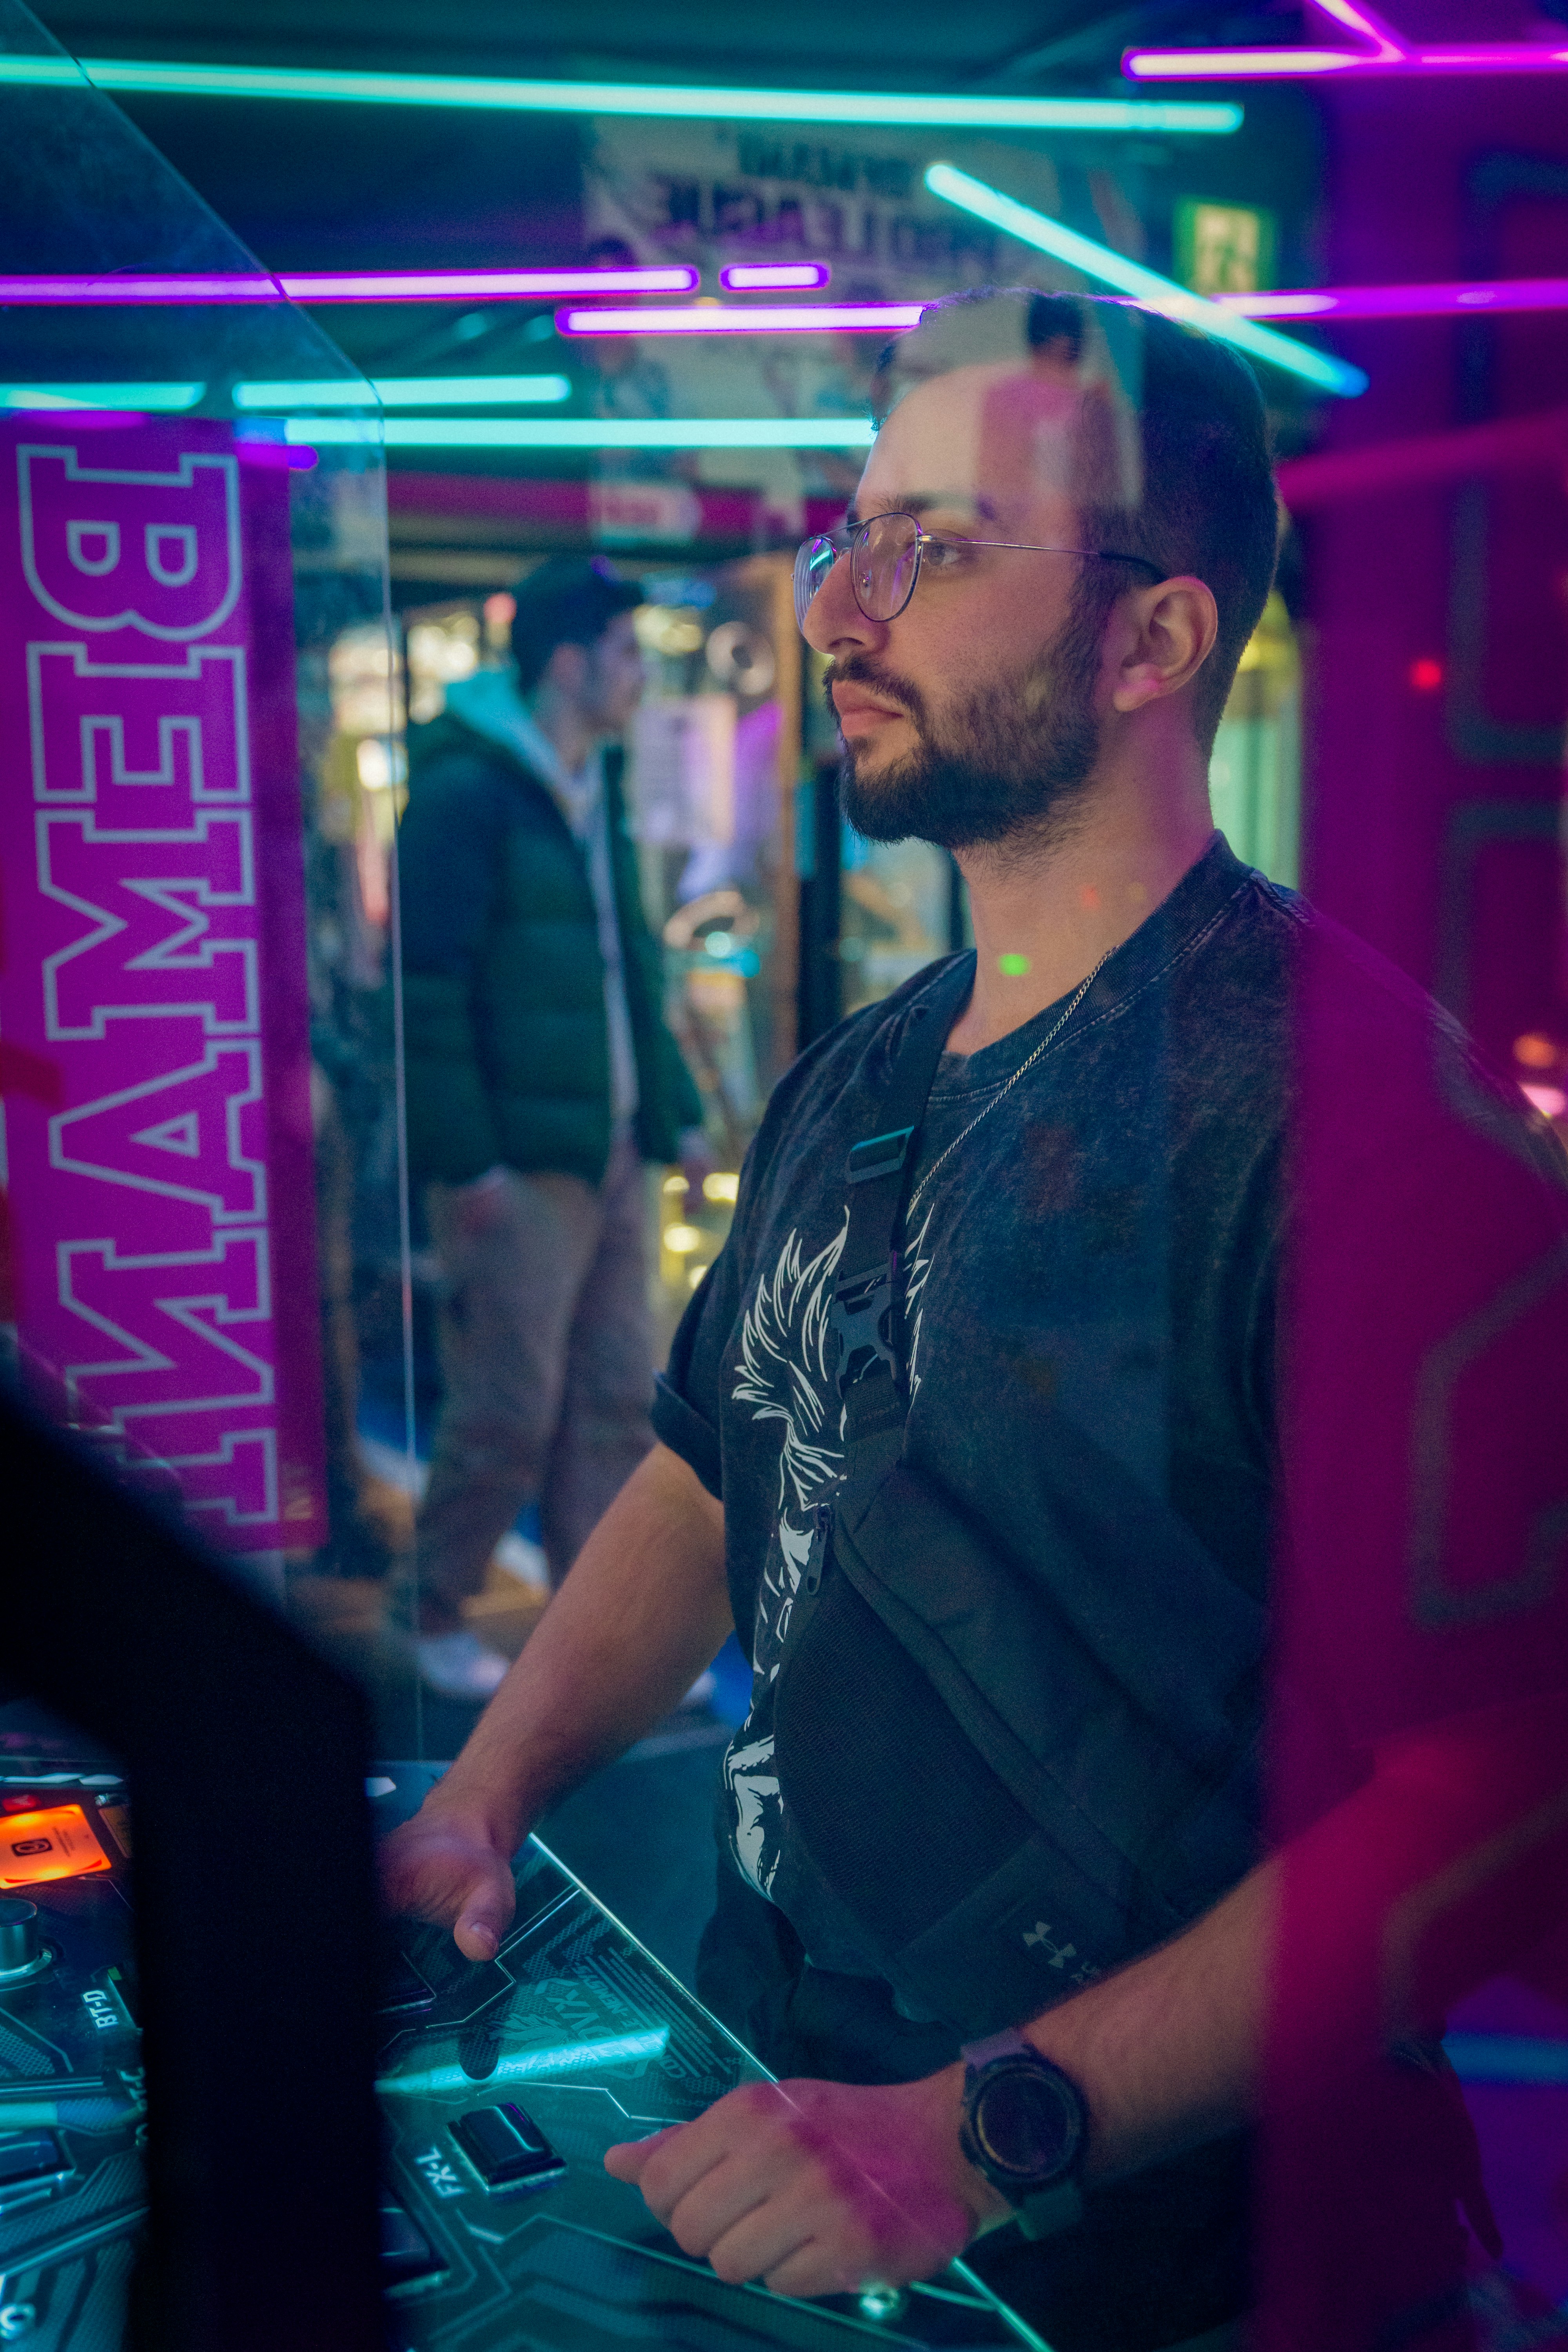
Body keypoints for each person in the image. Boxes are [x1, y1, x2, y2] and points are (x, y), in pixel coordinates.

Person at [381, 295, 1568, 2347]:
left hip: (1185, 2269)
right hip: (777, 2144)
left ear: (1151, 638)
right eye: (851, 539)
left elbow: (1507, 1787)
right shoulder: (862, 1068)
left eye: (934, 546)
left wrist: (986, 2130)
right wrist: (484, 1797)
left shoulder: (1364, 1130)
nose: (841, 611)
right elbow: (709, 1469)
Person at [396, 556, 710, 1699]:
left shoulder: (594, 784)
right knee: (509, 1408)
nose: (640, 677)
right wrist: (467, 1159)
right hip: (520, 1163)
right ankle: (428, 1609)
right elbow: (422, 992)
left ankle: (598, 1634)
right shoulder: (465, 792)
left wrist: (675, 1117)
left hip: (608, 1143)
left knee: (618, 1402)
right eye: (626, 654)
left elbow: (631, 965)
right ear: (570, 662)